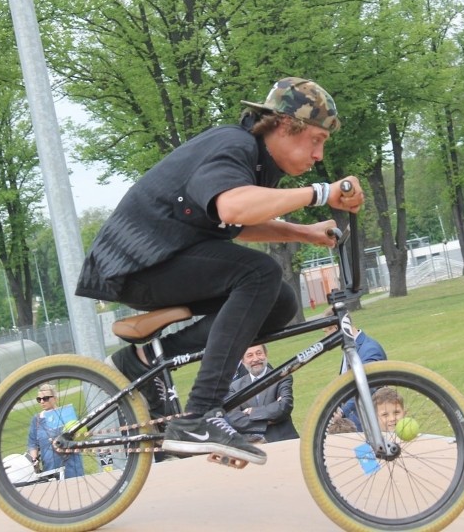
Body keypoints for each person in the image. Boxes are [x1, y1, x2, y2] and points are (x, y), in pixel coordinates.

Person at [76, 76, 364, 465]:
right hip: (137, 262)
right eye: (316, 140)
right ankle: (199, 415)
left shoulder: (261, 164)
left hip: (169, 257)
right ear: (283, 126)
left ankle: (145, 361)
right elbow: (232, 208)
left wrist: (305, 233)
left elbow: (234, 223)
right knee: (259, 274)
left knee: (278, 302)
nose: (318, 155)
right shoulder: (234, 145)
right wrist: (322, 192)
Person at [323, 308, 387, 430]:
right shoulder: (350, 348)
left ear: (335, 328)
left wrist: (342, 411)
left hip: (369, 425)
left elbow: (368, 386)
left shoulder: (370, 350)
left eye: (326, 331)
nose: (325, 336)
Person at [224, 344, 299, 443]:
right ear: (242, 360)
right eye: (250, 355)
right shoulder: (234, 387)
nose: (255, 359)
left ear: (266, 355)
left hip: (284, 441)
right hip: (253, 445)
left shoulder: (282, 377)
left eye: (259, 353)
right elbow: (235, 419)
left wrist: (252, 412)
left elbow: (284, 407)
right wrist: (268, 419)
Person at [27, 384, 85, 479]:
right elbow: (32, 443)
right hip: (50, 468)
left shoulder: (66, 414)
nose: (42, 401)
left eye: (45, 398)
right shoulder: (37, 420)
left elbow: (78, 435)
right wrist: (34, 459)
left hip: (72, 466)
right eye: (39, 399)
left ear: (55, 398)